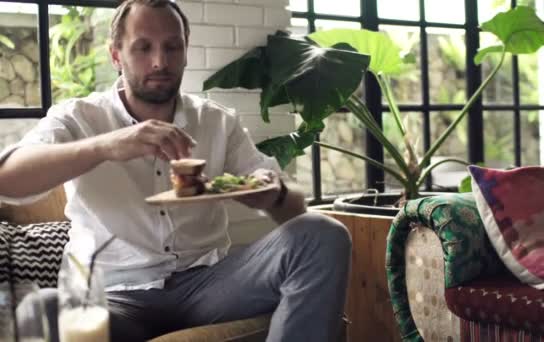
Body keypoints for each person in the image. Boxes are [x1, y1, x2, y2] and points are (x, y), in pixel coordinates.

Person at [0, 0, 351, 341]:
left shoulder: (216, 121)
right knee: (44, 307)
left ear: (186, 51)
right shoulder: (79, 117)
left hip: (210, 285)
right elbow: (8, 179)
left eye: (172, 47)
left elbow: (293, 209)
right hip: (118, 296)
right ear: (115, 55)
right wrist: (106, 145)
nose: (159, 61)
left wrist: (272, 195)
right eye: (143, 48)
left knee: (322, 232)